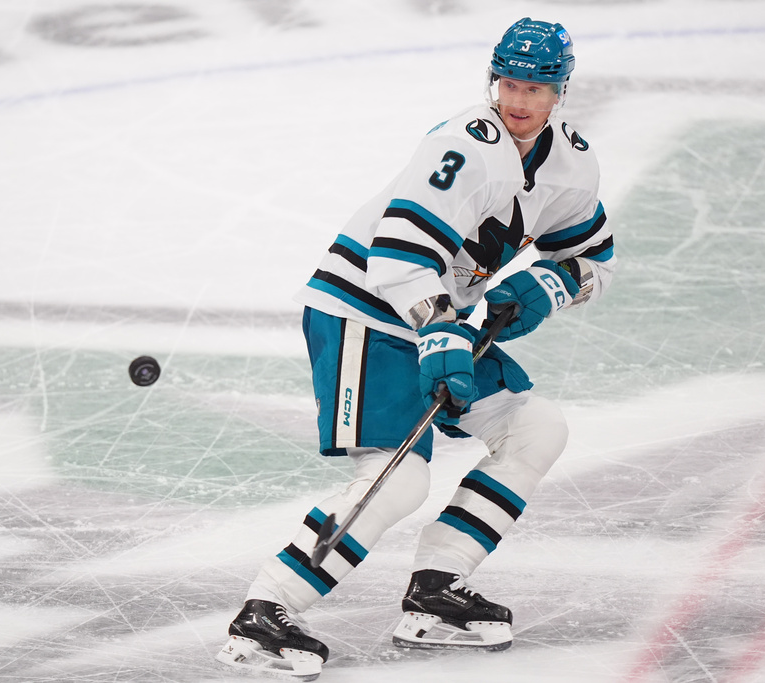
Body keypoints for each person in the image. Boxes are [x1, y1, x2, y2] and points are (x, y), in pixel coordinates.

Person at [216, 17, 615, 679]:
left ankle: (436, 589)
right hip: (363, 310)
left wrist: (549, 283)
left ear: (560, 92)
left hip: (442, 325)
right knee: (399, 478)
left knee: (537, 427)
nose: (518, 99)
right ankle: (266, 609)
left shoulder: (572, 164)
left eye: (536, 88)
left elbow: (593, 256)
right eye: (508, 82)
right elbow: (399, 252)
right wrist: (440, 333)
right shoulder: (464, 146)